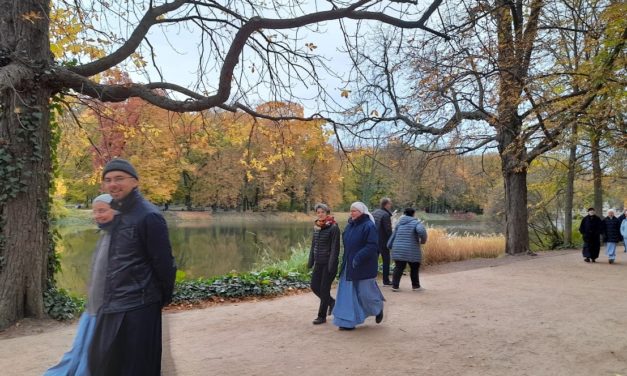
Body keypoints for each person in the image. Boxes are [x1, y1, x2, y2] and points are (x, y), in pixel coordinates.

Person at [88, 158, 177, 376]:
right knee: (103, 365)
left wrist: (160, 297)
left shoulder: (149, 216)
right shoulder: (115, 214)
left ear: (135, 182)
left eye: (119, 178)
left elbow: (164, 264)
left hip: (139, 306)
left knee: (138, 368)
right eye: (108, 180)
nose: (113, 184)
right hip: (111, 303)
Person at [45, 194, 117, 376]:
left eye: (102, 211)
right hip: (93, 306)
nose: (98, 215)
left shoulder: (120, 236)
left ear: (116, 210)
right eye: (95, 212)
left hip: (104, 308)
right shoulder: (105, 233)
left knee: (91, 350)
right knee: (80, 347)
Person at [332, 202, 384, 330]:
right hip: (349, 265)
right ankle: (346, 322)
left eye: (355, 210)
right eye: (351, 210)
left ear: (362, 212)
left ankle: (378, 308)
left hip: (364, 265)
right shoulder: (350, 226)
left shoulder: (368, 226)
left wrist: (358, 257)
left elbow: (372, 246)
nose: (352, 213)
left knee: (365, 294)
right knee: (346, 293)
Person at [307, 203, 340, 325]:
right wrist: (311, 261)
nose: (320, 214)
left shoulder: (334, 227)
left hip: (329, 263)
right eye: (318, 212)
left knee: (324, 289)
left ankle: (321, 316)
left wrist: (331, 265)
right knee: (314, 286)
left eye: (322, 212)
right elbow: (313, 245)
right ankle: (331, 302)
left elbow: (335, 248)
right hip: (318, 263)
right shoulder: (316, 227)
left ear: (327, 213)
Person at [387, 208, 428, 291]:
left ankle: (395, 286)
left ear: (404, 214)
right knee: (414, 267)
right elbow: (421, 231)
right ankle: (416, 286)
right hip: (411, 250)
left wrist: (389, 245)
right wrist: (423, 241)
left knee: (398, 267)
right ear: (413, 214)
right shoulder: (416, 222)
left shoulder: (399, 224)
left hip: (398, 249)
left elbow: (393, 235)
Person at [372, 198, 393, 286]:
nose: (390, 205)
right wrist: (392, 240)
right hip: (383, 241)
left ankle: (371, 280)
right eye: (390, 203)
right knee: (386, 260)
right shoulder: (385, 215)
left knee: (373, 261)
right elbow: (388, 230)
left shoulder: (375, 212)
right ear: (386, 204)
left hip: (373, 240)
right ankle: (386, 280)